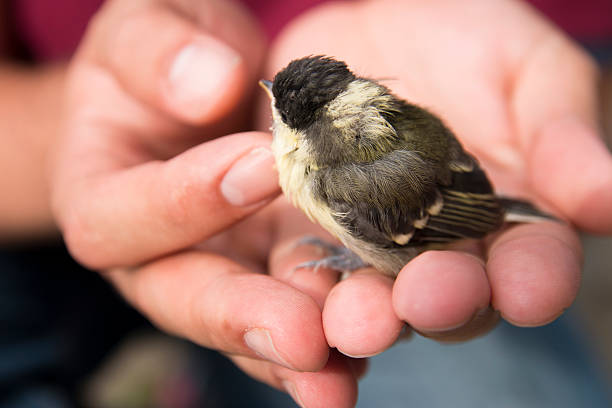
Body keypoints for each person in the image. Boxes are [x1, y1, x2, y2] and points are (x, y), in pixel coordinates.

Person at [2, 0, 612, 406]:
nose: (270, 111)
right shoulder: (356, 140)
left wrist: (490, 213)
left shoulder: (342, 187)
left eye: (279, 114)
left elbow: (455, 211)